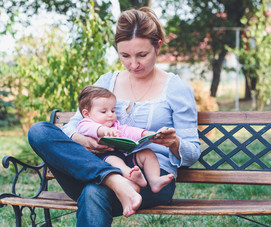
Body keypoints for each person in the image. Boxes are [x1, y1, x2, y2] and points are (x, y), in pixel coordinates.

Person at [28, 7, 201, 226]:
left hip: (148, 180)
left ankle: (113, 181)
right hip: (93, 167)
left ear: (158, 46)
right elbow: (72, 127)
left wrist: (174, 143)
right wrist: (84, 140)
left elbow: (193, 151)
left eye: (142, 55)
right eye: (125, 56)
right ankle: (115, 180)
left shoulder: (175, 88)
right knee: (39, 131)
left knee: (93, 193)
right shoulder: (107, 81)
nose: (133, 64)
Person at [76, 85, 174, 193]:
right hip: (102, 161)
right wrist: (103, 131)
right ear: (86, 113)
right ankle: (131, 176)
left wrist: (147, 134)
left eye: (113, 111)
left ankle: (154, 180)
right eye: (104, 112)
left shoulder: (115, 126)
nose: (110, 115)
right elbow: (89, 128)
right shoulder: (85, 123)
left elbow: (129, 131)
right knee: (113, 159)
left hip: (124, 157)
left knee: (147, 153)